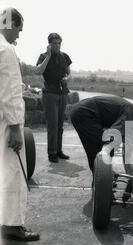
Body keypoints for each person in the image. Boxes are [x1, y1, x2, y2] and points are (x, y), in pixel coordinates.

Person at [0, 8, 40, 241]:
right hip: (5, 121)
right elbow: (10, 92)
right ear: (9, 24)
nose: (18, 35)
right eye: (18, 29)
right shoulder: (6, 50)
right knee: (13, 170)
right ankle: (12, 224)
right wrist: (15, 127)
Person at [70, 94, 133, 172]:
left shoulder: (132, 119)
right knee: (100, 150)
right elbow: (113, 134)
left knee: (96, 152)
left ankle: (101, 177)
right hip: (84, 112)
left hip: (81, 111)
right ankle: (102, 178)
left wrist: (129, 173)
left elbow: (127, 150)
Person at [35, 32, 72, 163]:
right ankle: (52, 153)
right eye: (54, 43)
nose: (57, 46)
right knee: (52, 125)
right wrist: (49, 56)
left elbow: (68, 72)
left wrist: (66, 78)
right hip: (50, 94)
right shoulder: (43, 56)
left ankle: (58, 151)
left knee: (60, 125)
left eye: (59, 43)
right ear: (49, 44)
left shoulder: (65, 56)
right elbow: (38, 71)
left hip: (63, 93)